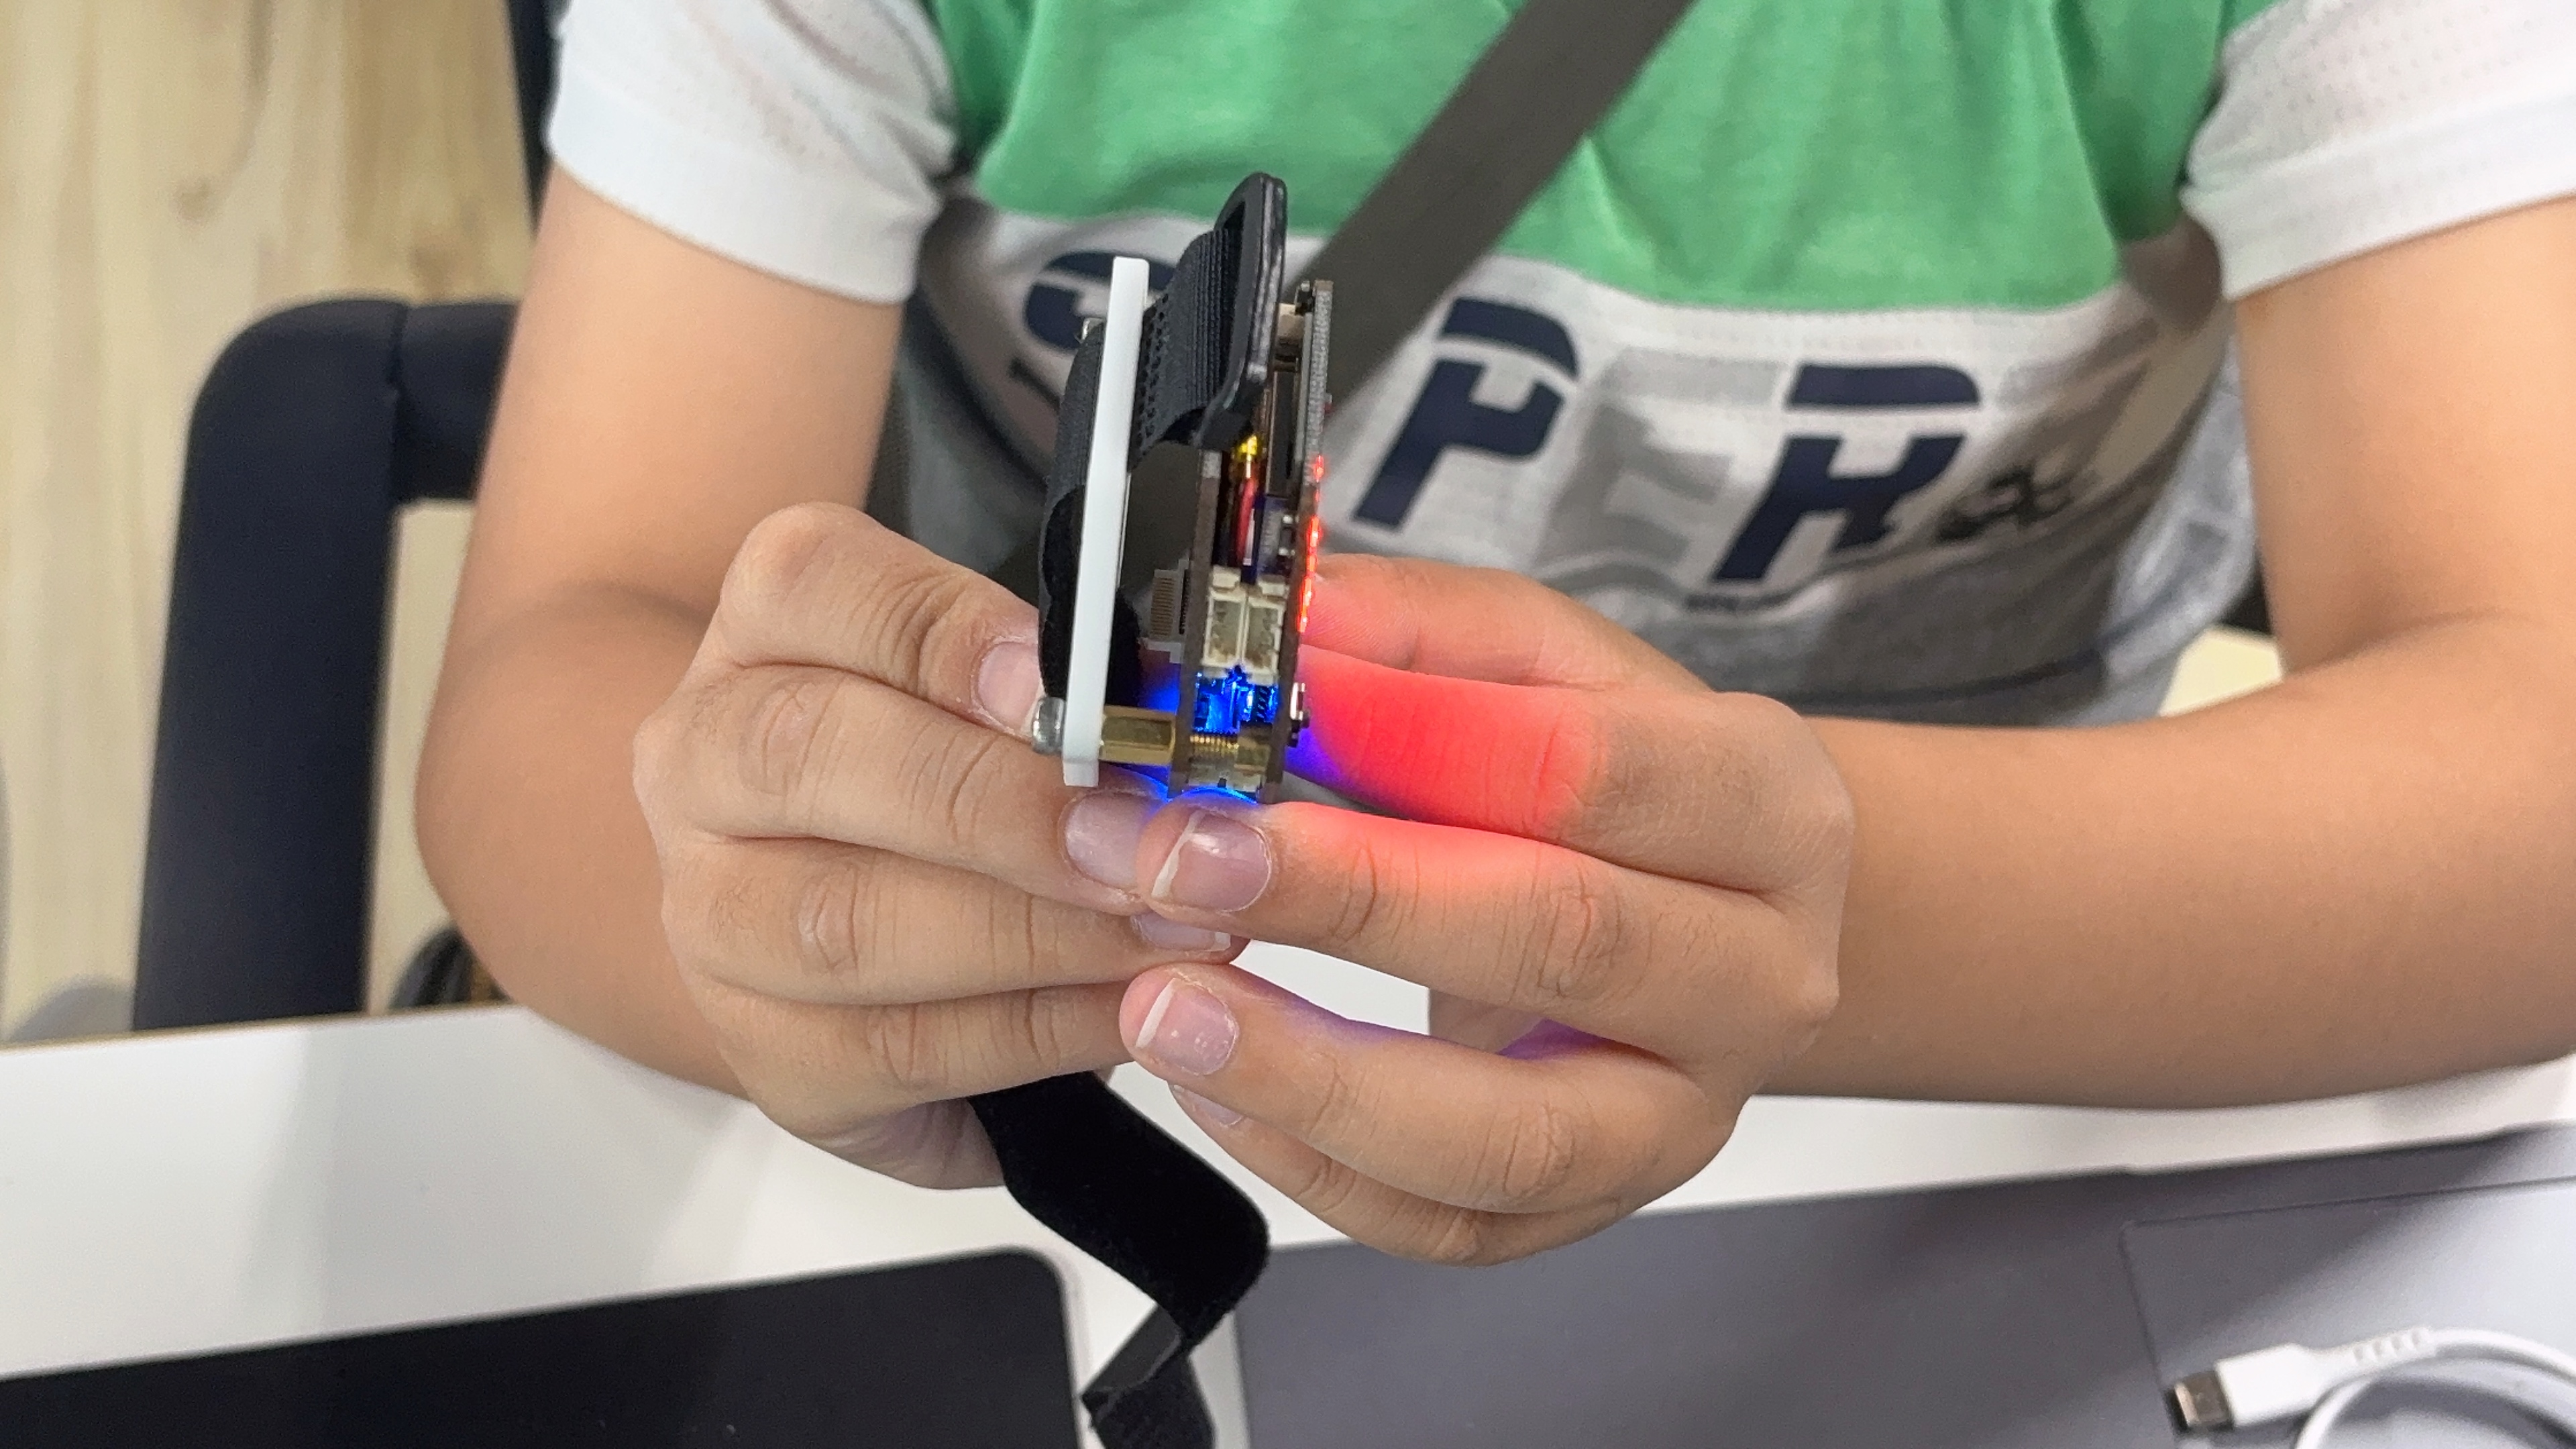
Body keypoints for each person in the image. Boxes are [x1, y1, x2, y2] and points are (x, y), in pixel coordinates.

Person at [418, 0, 2576, 1265]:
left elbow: (2531, 769)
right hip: (1079, 1065)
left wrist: (1784, 913)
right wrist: (787, 904)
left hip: (1999, 1071)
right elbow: (555, 685)